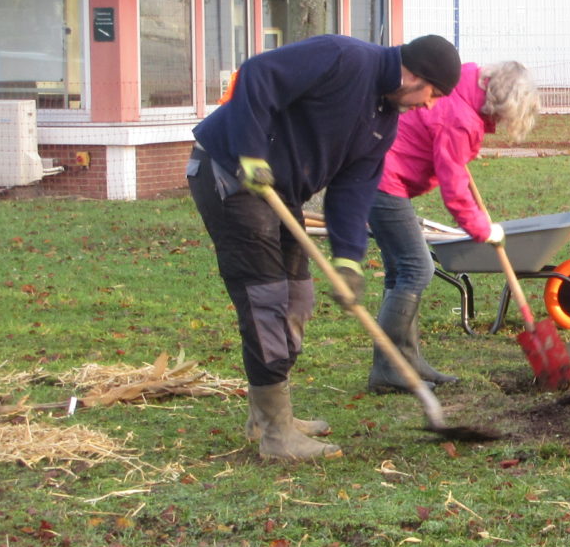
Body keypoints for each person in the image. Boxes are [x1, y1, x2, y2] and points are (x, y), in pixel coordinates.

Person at [188, 34, 461, 461]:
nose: (429, 105)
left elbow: (353, 191)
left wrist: (349, 259)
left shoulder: (383, 121)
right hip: (230, 171)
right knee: (267, 300)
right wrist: (252, 153)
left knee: (297, 299)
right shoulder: (344, 58)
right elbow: (259, 74)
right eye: (433, 94)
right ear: (414, 75)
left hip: (282, 192)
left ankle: (267, 414)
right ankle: (276, 434)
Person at [365, 61, 542, 394]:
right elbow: (454, 189)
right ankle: (389, 369)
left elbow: (451, 163)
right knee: (417, 269)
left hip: (378, 172)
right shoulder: (459, 119)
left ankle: (407, 362)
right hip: (382, 180)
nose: (505, 123)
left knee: (401, 272)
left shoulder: (462, 85)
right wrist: (484, 229)